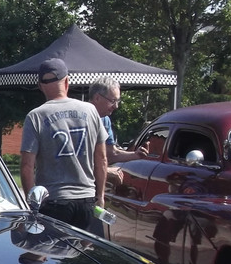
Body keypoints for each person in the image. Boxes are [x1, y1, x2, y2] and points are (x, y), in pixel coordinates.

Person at [20, 58, 107, 230]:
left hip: (53, 201)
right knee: (79, 254)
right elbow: (102, 159)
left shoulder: (36, 116)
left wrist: (33, 204)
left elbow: (26, 166)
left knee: (53, 254)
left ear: (40, 86)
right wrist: (100, 195)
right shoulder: (90, 111)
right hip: (86, 201)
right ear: (67, 81)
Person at [87, 77, 147, 182]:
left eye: (118, 101)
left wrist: (136, 155)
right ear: (97, 98)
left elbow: (111, 154)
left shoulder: (105, 120)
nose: (116, 106)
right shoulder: (79, 118)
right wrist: (106, 170)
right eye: (113, 101)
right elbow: (73, 161)